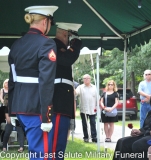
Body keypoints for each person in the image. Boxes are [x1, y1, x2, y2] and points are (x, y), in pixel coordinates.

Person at [8, 5, 58, 159]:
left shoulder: (17, 44)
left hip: (20, 106)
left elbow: (13, 80)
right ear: (45, 22)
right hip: (36, 108)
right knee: (41, 154)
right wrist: (46, 116)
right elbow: (46, 82)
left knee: (35, 152)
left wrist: (12, 110)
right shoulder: (47, 44)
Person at [49, 22, 82, 158]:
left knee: (61, 139)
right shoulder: (53, 45)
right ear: (65, 34)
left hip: (62, 100)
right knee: (56, 140)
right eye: (71, 36)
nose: (71, 41)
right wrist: (77, 44)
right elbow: (66, 59)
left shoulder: (59, 47)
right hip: (58, 100)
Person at [75, 74, 98, 143]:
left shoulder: (94, 87)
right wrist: (73, 88)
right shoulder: (80, 87)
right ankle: (86, 137)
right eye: (85, 78)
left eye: (88, 78)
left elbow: (97, 97)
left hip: (92, 109)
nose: (86, 79)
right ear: (83, 80)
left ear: (90, 79)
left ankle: (94, 137)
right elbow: (76, 93)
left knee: (93, 123)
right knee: (84, 124)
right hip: (84, 109)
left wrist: (97, 106)